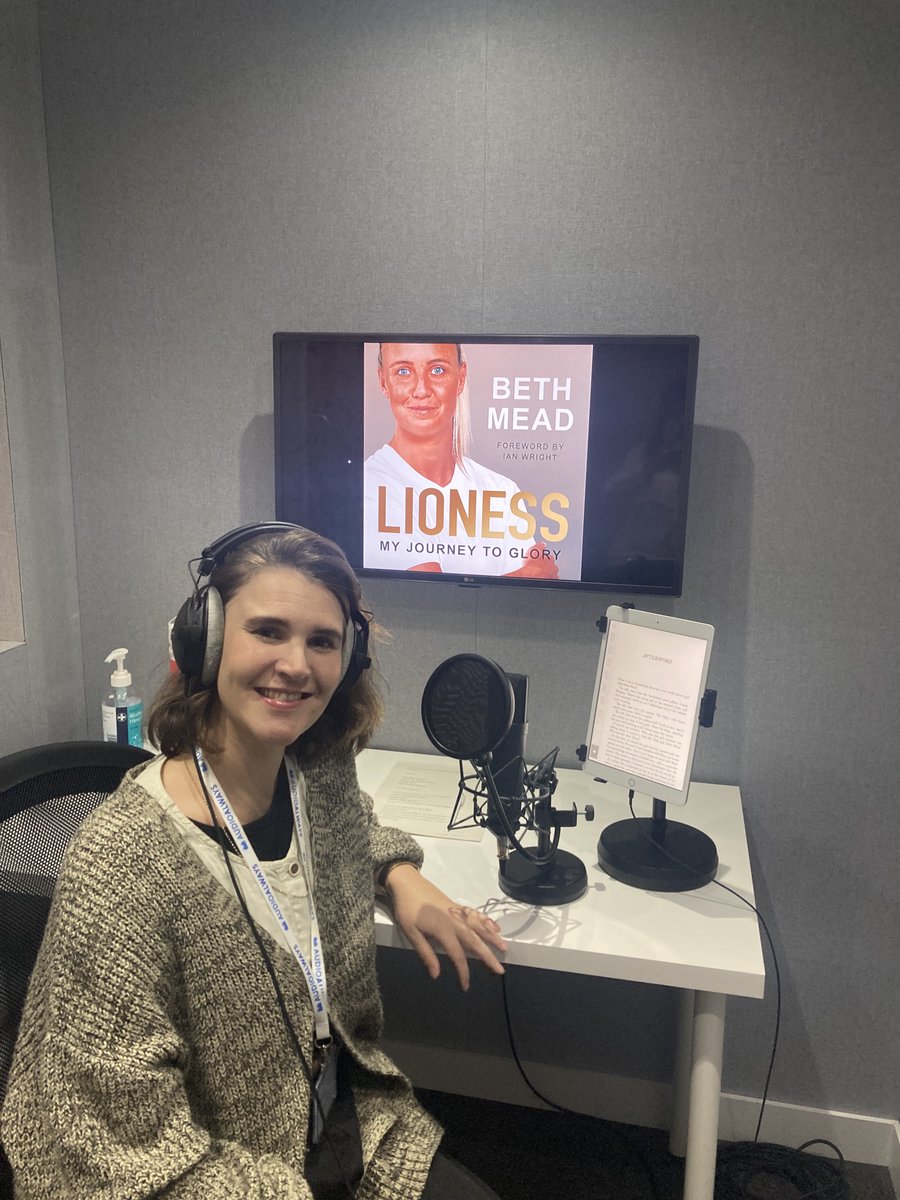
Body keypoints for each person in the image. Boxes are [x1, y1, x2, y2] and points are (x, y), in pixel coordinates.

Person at [1, 523, 506, 1199]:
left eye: (322, 641)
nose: (297, 664)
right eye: (268, 631)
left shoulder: (313, 777)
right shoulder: (122, 862)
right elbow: (110, 1155)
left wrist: (399, 874)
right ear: (203, 643)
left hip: (344, 1125)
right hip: (214, 1170)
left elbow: (351, 823)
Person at [363, 342, 560, 579]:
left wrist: (528, 576)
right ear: (383, 381)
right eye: (403, 371)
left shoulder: (503, 490)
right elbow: (430, 594)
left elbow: (528, 600)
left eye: (437, 370)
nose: (421, 390)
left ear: (461, 376)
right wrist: (529, 574)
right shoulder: (369, 487)